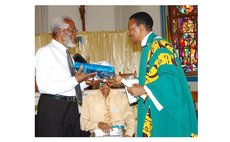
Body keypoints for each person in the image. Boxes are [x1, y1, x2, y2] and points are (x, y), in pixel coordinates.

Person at [112, 12, 198, 137]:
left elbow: (170, 80)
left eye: (130, 29)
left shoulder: (160, 47)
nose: (129, 33)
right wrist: (123, 81)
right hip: (155, 108)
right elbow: (150, 81)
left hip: (165, 113)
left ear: (140, 27)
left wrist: (144, 88)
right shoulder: (149, 46)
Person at [35, 15, 100, 137]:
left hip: (71, 107)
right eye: (73, 30)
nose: (76, 33)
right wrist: (76, 80)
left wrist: (86, 83)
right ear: (60, 31)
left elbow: (70, 86)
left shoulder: (68, 55)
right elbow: (43, 86)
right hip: (53, 108)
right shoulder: (45, 52)